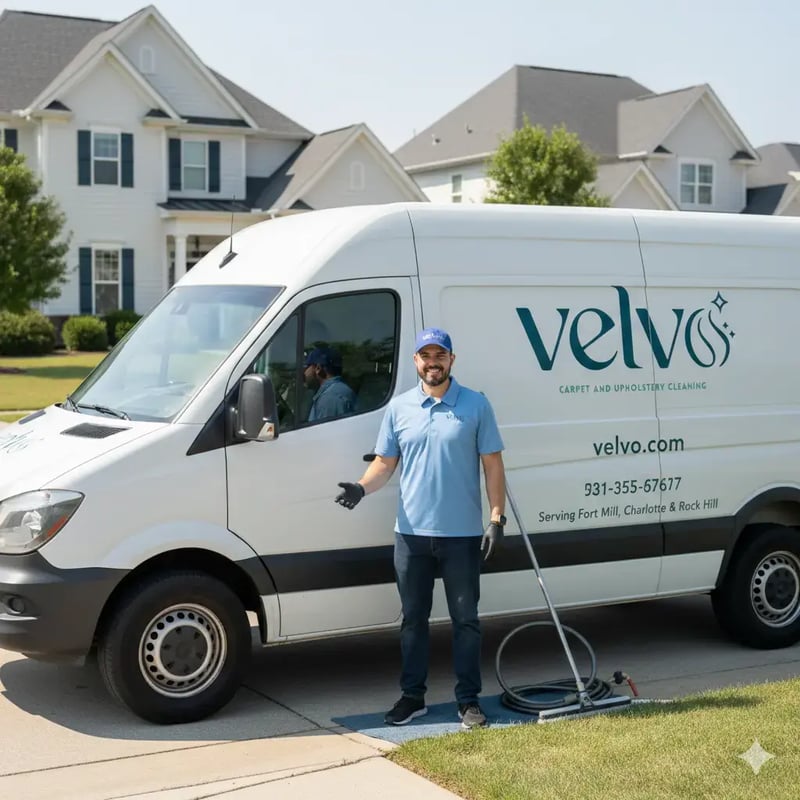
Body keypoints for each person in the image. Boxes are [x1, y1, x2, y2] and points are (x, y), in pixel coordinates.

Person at [334, 327, 506, 730]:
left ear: (451, 360)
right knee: (413, 621)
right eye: (425, 355)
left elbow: (493, 465)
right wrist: (361, 487)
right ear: (415, 362)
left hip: (462, 535)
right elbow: (385, 463)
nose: (433, 362)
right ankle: (413, 697)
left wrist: (496, 518)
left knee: (466, 621)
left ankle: (468, 701)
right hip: (410, 536)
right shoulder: (399, 409)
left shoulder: (476, 406)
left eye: (439, 355)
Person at [303, 347, 356, 422]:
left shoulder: (330, 399)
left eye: (306, 367)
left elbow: (326, 433)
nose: (304, 373)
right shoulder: (337, 390)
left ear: (318, 368)